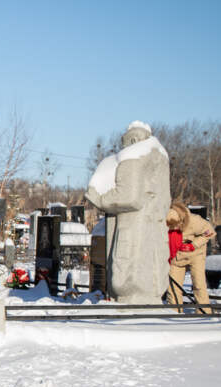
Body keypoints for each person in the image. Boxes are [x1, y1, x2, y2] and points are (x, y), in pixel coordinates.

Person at [86, 121, 171, 304]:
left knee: (127, 278)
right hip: (155, 227)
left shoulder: (134, 156)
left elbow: (128, 197)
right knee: (152, 273)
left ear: (132, 139)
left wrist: (97, 197)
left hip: (133, 228)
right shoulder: (161, 158)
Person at [166, 202, 215, 314]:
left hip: (196, 254)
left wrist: (194, 245)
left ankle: (203, 311)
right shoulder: (164, 221)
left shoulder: (194, 220)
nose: (174, 228)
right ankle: (175, 311)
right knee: (173, 286)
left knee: (199, 284)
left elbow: (210, 232)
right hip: (176, 255)